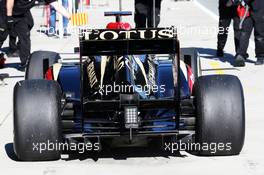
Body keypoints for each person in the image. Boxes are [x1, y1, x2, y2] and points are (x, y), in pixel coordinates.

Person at [6, 0, 71, 68]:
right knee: (2, 36)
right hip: (7, 10)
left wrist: (70, 17)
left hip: (22, 13)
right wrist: (9, 16)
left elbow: (56, 5)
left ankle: (25, 63)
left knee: (25, 35)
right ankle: (12, 48)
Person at [229, 0, 264, 66]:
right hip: (247, 10)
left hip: (260, 9)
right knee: (244, 33)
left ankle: (260, 57)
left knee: (259, 35)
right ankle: (241, 55)